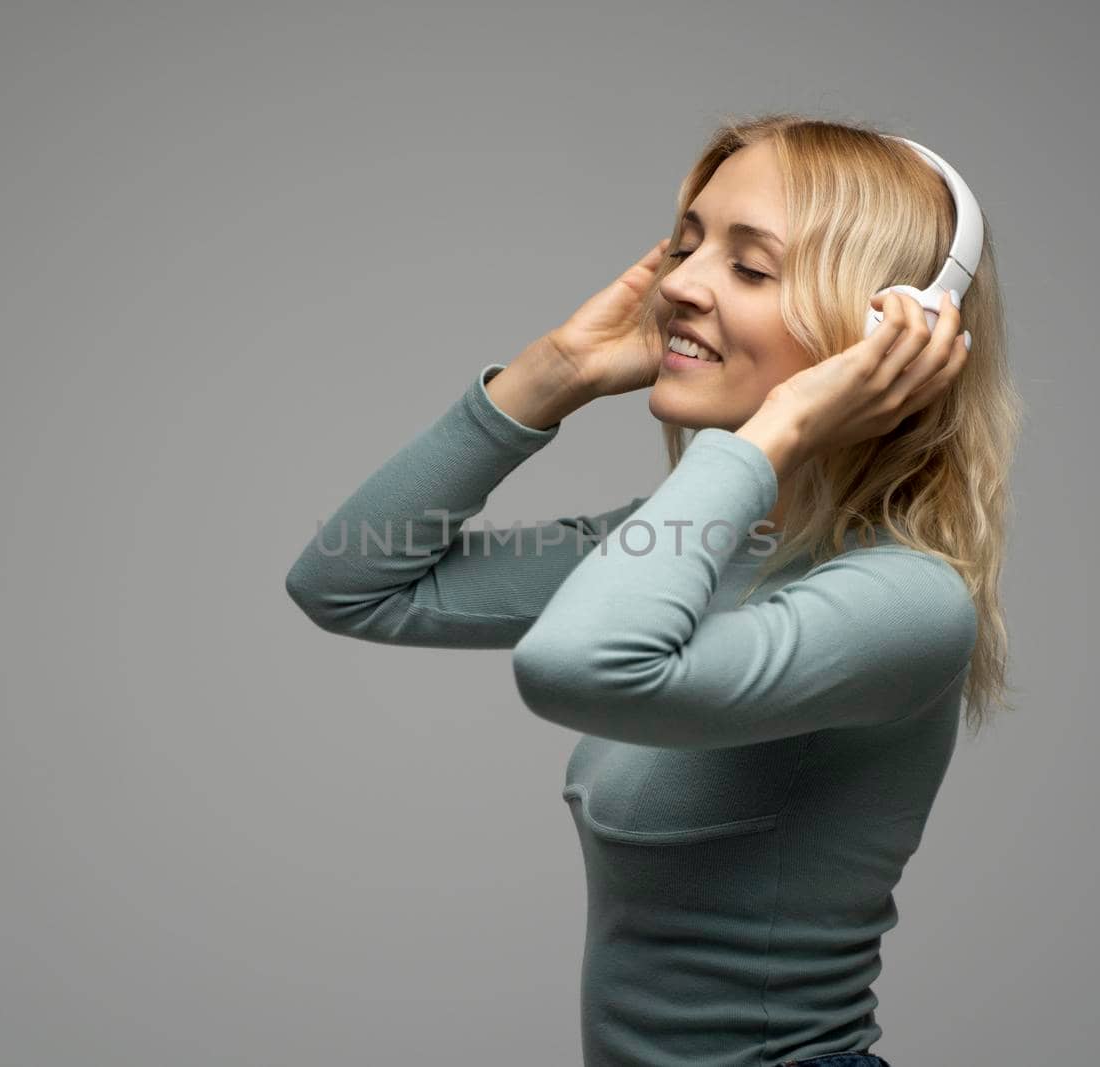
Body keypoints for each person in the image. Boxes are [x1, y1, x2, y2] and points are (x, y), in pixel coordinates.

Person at [285, 114, 1022, 1067]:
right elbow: (348, 579)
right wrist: (552, 374)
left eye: (750, 268)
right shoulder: (691, 545)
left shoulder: (908, 602)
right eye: (686, 245)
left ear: (887, 332)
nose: (677, 283)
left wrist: (776, 428)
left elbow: (576, 668)